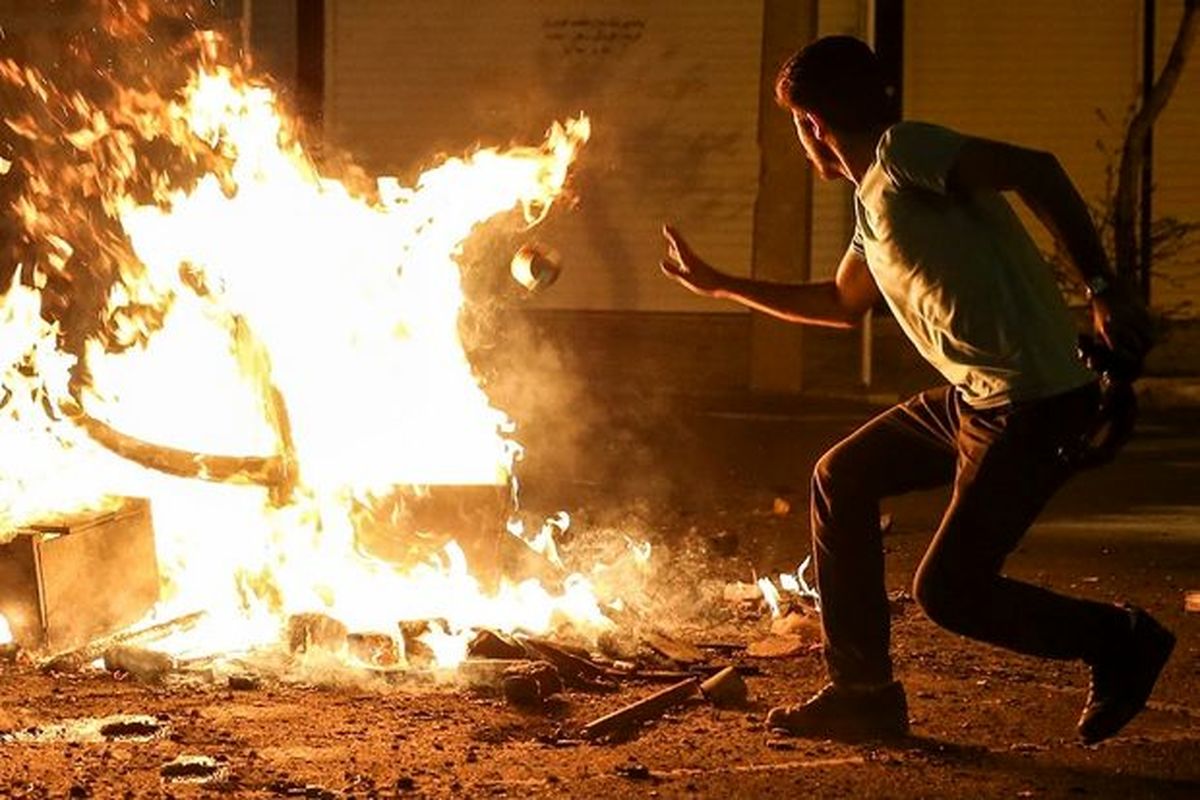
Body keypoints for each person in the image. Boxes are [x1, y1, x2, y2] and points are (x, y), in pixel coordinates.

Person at [659, 35, 1173, 744]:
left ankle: (1122, 639)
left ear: (811, 123)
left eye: (796, 127)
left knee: (951, 593)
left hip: (1036, 404)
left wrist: (1102, 287)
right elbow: (842, 305)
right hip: (976, 400)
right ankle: (862, 692)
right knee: (840, 477)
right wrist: (720, 285)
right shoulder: (873, 204)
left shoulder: (904, 154)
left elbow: (1038, 171)